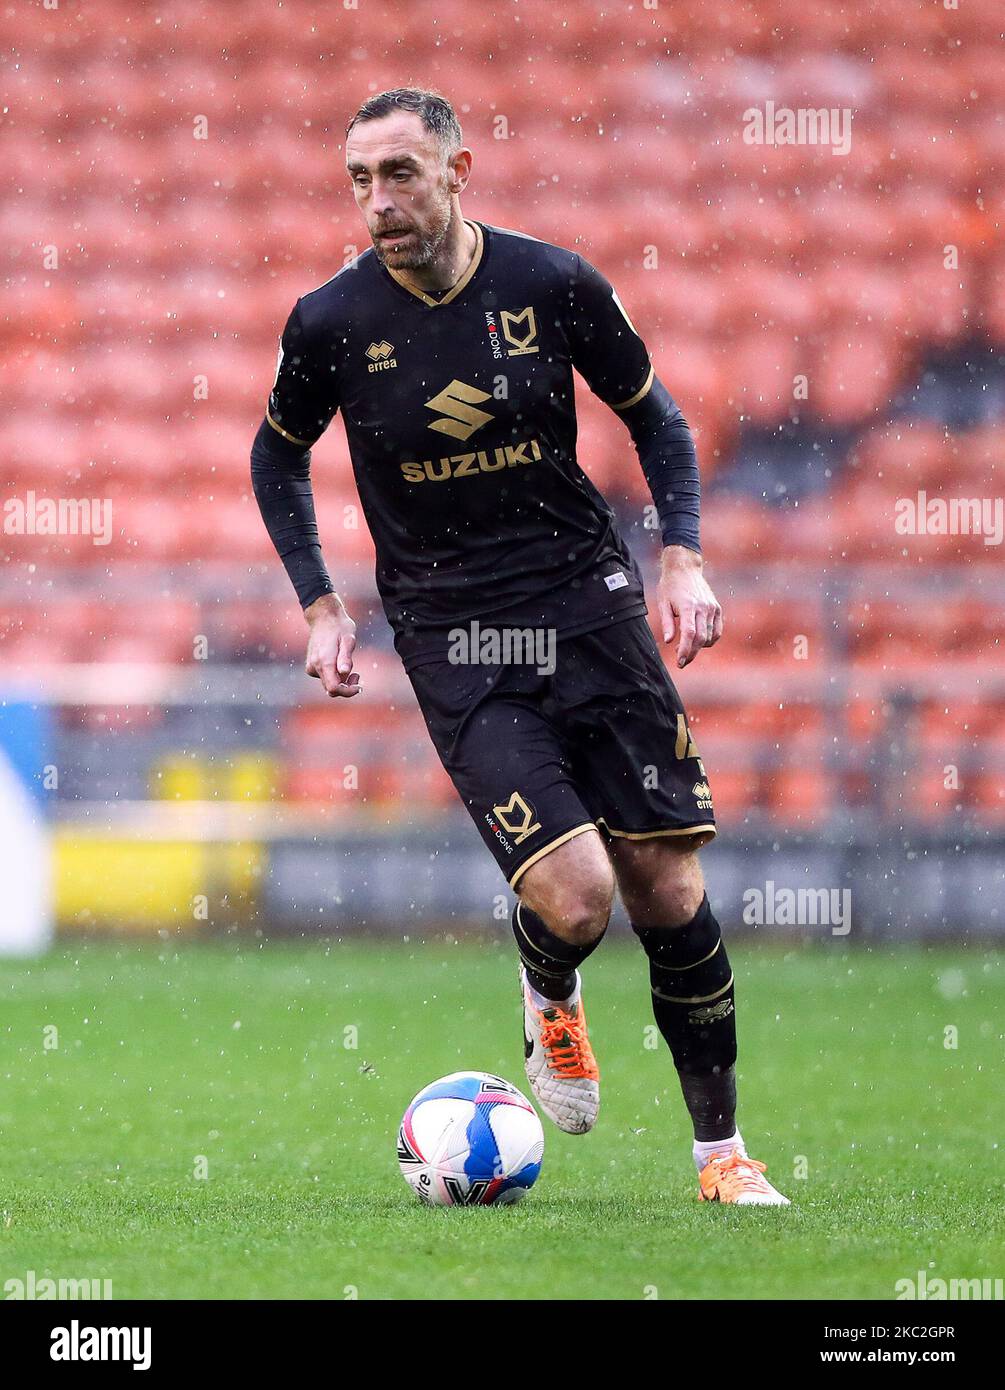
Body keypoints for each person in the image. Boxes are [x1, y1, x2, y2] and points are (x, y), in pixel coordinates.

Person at [251, 86, 788, 1205]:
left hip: (588, 605)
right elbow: (276, 454)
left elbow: (659, 417)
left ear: (457, 172)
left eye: (400, 173)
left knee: (666, 884)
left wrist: (680, 554)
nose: (378, 200)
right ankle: (551, 988)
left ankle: (722, 1159)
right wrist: (318, 603)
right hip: (455, 633)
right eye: (359, 178)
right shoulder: (331, 323)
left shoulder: (551, 284)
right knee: (582, 895)